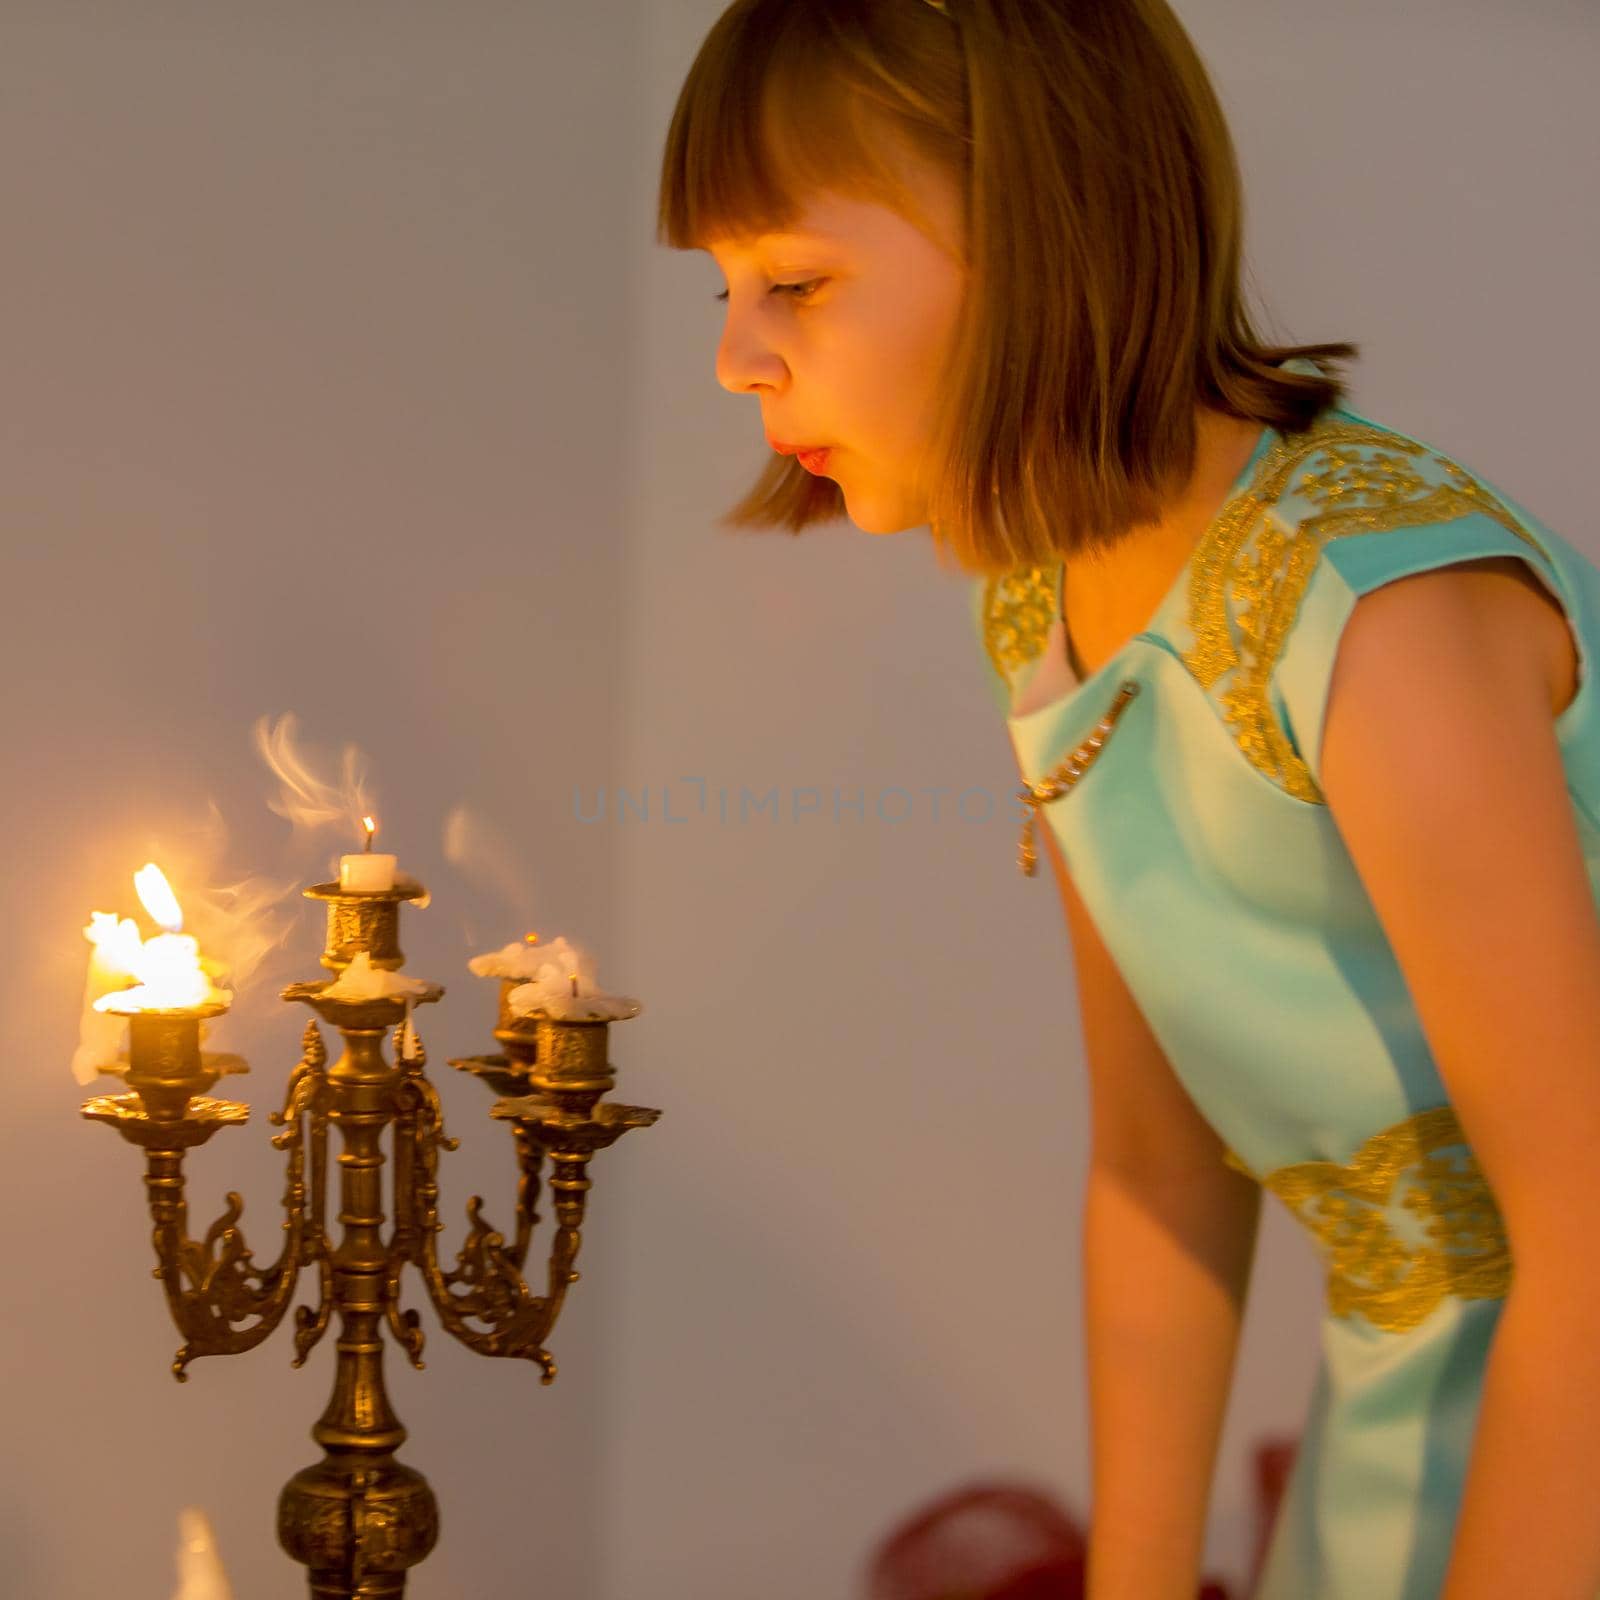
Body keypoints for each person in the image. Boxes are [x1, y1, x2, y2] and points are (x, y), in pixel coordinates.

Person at [656, 3, 1600, 1597]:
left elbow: (1588, 1233)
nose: (736, 353)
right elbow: (1158, 1173)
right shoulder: (1038, 601)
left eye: (796, 283)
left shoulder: (1383, 618)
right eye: (729, 290)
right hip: (1398, 1458)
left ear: (1042, 226)